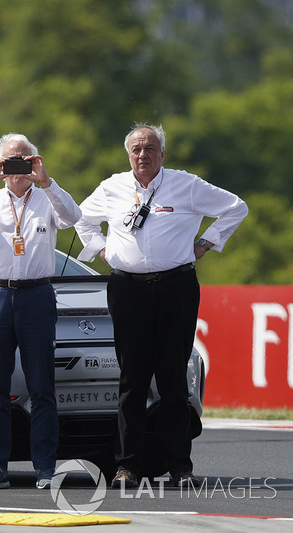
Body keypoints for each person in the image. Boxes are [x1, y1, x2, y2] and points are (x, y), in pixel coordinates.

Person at [74, 123, 248, 489]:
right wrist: (103, 251)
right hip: (127, 289)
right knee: (131, 381)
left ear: (162, 154)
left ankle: (180, 467)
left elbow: (236, 207)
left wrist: (206, 243)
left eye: (150, 148)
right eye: (136, 149)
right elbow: (82, 220)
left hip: (176, 287)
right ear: (128, 155)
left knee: (172, 381)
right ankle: (127, 466)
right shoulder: (112, 187)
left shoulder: (186, 184)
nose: (143, 155)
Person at [0, 133, 82, 490]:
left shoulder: (46, 198)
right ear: (0, 166)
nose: (17, 168)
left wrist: (47, 181)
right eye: (10, 162)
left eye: (24, 160)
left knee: (42, 387)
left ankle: (44, 467)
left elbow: (73, 217)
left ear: (35, 162)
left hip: (37, 296)